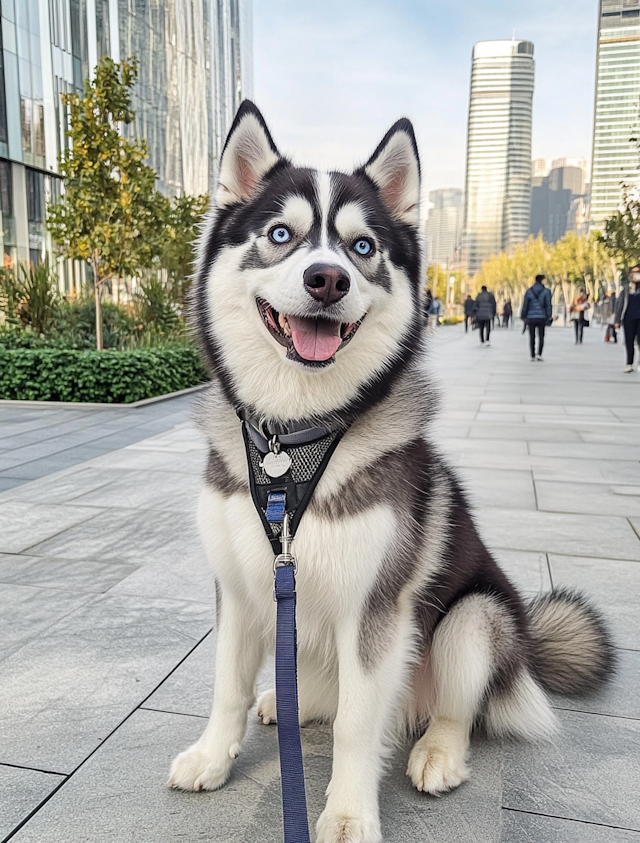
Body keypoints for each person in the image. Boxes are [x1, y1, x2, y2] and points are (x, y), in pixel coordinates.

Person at [521, 274, 552, 361]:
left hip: (531, 317)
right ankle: (539, 354)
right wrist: (549, 316)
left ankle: (532, 355)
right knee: (541, 336)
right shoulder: (546, 292)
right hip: (542, 317)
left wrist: (523, 315)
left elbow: (525, 305)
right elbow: (548, 305)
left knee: (532, 336)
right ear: (542, 280)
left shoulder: (529, 291)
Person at [615, 265, 640, 372]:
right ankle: (629, 364)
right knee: (629, 342)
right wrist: (617, 320)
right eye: (633, 272)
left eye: (638, 272)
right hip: (628, 318)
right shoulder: (626, 288)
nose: (635, 274)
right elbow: (620, 305)